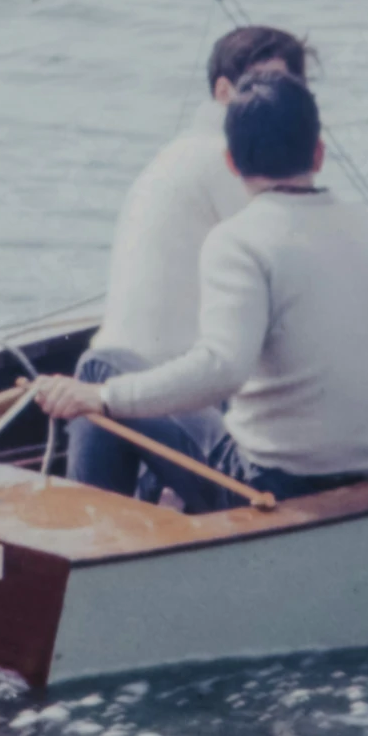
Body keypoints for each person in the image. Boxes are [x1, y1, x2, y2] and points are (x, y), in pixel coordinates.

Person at [40, 70, 368, 510]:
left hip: (269, 486)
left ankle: (94, 538)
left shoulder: (236, 242)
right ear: (320, 153)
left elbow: (222, 370)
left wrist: (101, 399)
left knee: (99, 368)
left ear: (233, 163)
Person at [66, 26, 310, 498]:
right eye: (262, 86)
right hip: (165, 389)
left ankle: (95, 531)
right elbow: (296, 261)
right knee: (101, 374)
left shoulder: (180, 152)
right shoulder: (221, 159)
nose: (275, 101)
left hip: (142, 382)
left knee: (96, 370)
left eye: (289, 90)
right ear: (223, 91)